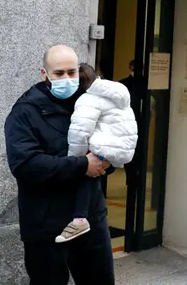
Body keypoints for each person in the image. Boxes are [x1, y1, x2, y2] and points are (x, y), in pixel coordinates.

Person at [4, 45, 115, 284]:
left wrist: (107, 160)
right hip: (46, 224)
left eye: (72, 72)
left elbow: (109, 145)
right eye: (59, 73)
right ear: (44, 74)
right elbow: (25, 164)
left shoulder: (90, 104)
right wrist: (82, 165)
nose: (67, 78)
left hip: (91, 219)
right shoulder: (24, 112)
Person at [57, 64, 138, 243]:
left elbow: (80, 133)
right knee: (93, 176)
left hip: (105, 145)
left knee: (86, 175)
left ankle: (80, 219)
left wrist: (76, 161)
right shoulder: (116, 90)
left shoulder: (88, 100)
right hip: (122, 146)